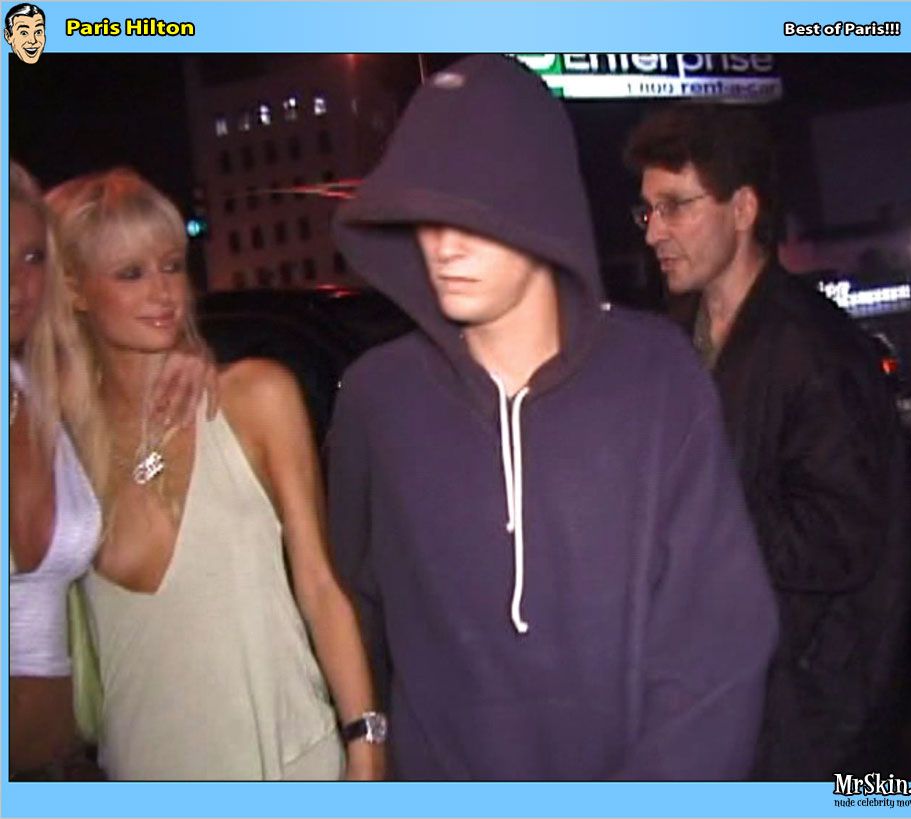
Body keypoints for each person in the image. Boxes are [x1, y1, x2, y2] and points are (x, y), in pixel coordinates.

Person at [329, 55, 778, 780]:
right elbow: (357, 608)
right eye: (426, 210)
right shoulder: (377, 399)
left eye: (473, 207)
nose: (444, 242)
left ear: (537, 201)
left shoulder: (655, 376)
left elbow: (717, 643)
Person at [44, 167, 385, 781]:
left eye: (172, 265)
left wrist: (366, 741)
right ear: (74, 289)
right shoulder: (56, 448)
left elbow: (321, 585)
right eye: (131, 273)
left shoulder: (255, 398)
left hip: (291, 767)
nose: (163, 292)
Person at [625, 103, 911, 779]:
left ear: (743, 208)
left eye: (676, 206)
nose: (654, 232)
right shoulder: (674, 342)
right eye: (648, 211)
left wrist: (689, 513)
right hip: (720, 699)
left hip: (807, 720)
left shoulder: (816, 350)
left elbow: (839, 539)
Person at [8, 162, 212, 779]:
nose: (16, 283)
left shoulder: (44, 396)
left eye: (32, 257)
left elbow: (115, 375)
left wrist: (190, 356)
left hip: (66, 764)